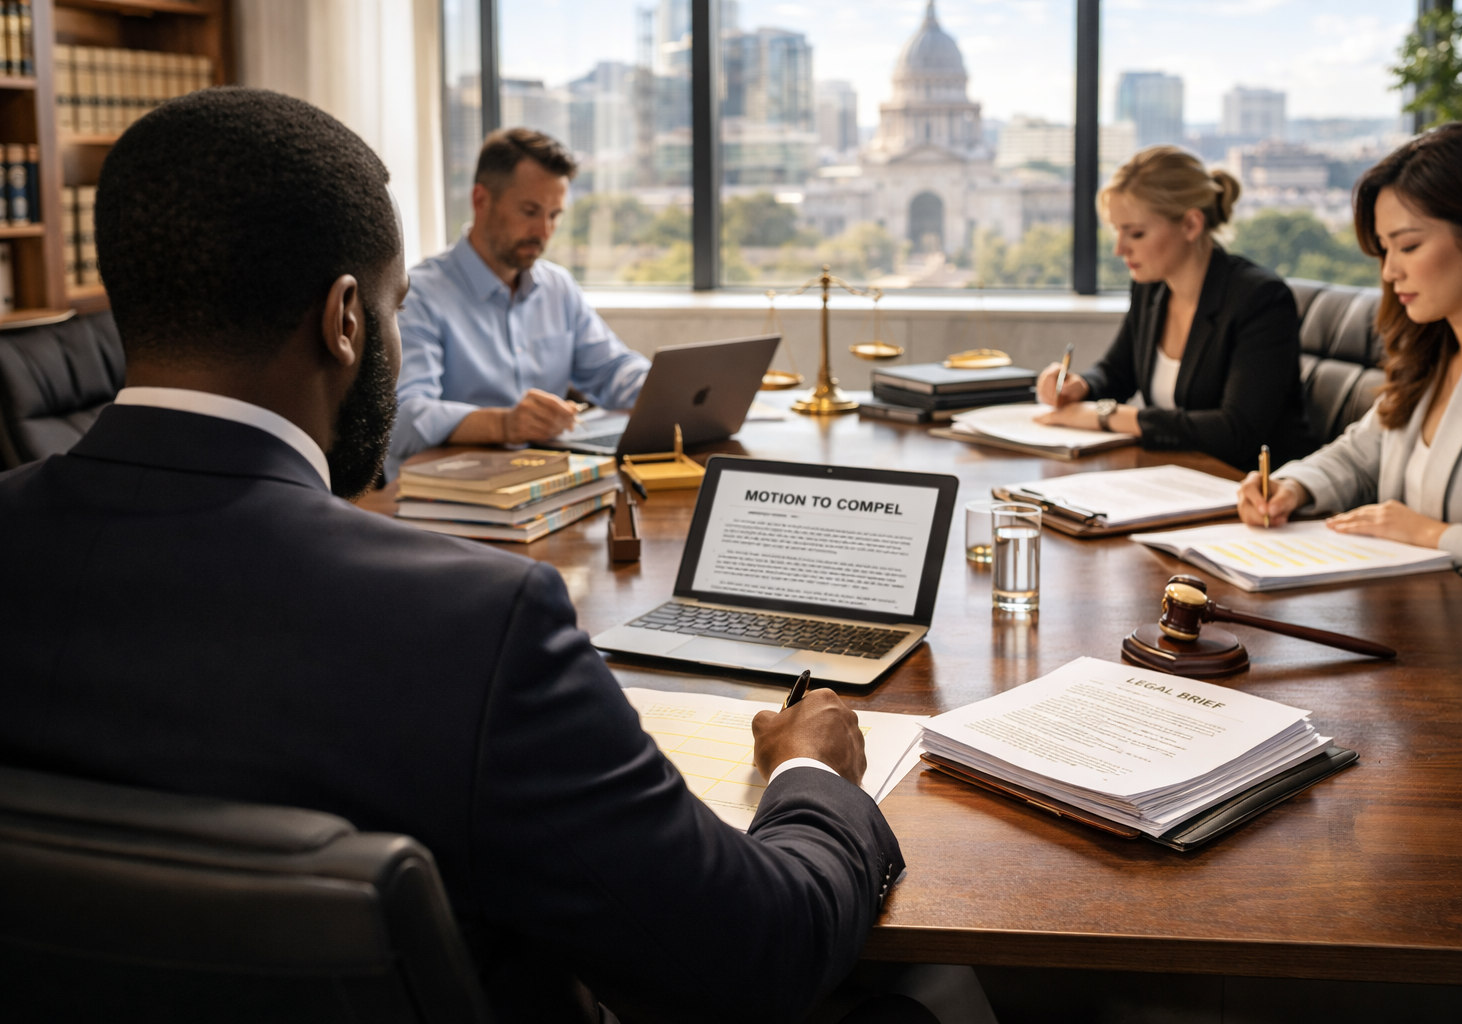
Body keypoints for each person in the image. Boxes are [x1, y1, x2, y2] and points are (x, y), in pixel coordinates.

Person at [0, 89, 905, 1024]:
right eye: (392, 311)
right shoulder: (481, 627)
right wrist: (810, 772)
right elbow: (757, 955)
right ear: (346, 320)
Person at [1238, 122, 1462, 621]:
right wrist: (1292, 487)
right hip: (1418, 632)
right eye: (1384, 249)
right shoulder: (1435, 350)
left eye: (1409, 246)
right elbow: (1360, 453)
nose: (1390, 272)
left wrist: (1430, 535)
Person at [388, 127, 650, 478]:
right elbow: (404, 418)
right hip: (451, 494)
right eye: (530, 211)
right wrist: (505, 425)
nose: (543, 231)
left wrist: (668, 390)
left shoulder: (558, 287)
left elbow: (612, 370)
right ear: (481, 200)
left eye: (555, 215)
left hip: (544, 483)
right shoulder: (418, 294)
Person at [1036, 146, 1316, 470]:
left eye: (1136, 233)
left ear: (1191, 225)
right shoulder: (1150, 286)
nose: (1119, 249)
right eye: (1117, 231)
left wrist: (1110, 416)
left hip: (1252, 491)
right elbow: (1117, 371)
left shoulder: (1260, 299)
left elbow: (1236, 431)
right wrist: (1079, 386)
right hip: (1178, 477)